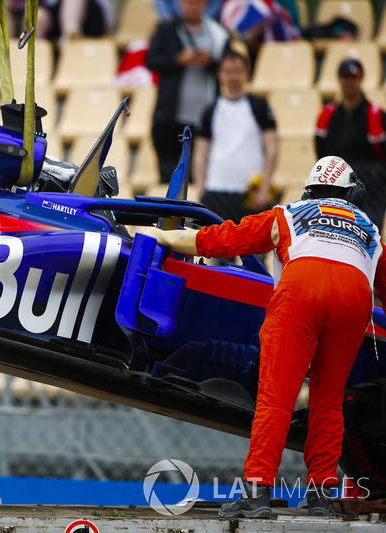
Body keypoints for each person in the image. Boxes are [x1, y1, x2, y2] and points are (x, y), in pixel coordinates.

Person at [134, 156, 386, 518]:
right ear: (353, 193)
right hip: (353, 300)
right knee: (329, 402)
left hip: (301, 291)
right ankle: (320, 496)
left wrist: (164, 236)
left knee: (276, 398)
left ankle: (256, 493)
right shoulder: (370, 228)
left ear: (310, 190)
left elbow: (224, 240)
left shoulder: (290, 213)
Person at [193, 44, 278, 224]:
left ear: (246, 73)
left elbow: (272, 149)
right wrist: (201, 187)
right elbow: (200, 152)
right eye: (228, 71)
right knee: (216, 251)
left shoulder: (260, 107)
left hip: (249, 192)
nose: (233, 76)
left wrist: (265, 186)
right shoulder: (210, 110)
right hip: (216, 190)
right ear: (220, 74)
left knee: (252, 250)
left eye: (238, 71)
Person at [146, 0, 228, 184]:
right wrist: (177, 59)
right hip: (169, 117)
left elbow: (231, 67)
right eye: (189, 3)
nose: (193, 7)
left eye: (197, 3)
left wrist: (210, 62)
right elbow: (151, 60)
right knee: (167, 176)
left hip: (203, 119)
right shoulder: (167, 29)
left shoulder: (218, 33)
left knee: (197, 177)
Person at [316, 58, 386, 230]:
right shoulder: (328, 115)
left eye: (354, 76)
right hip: (337, 192)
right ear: (339, 79)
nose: (349, 81)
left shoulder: (376, 115)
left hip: (372, 193)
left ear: (361, 79)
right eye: (345, 76)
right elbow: (321, 151)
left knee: (369, 240)